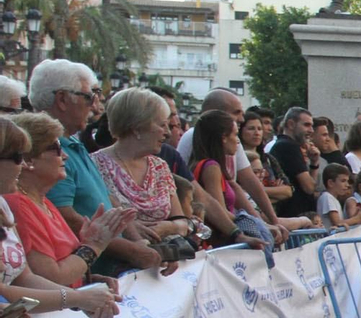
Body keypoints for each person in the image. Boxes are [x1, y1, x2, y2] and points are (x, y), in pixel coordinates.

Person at [31, 59, 169, 274]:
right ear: (62, 99)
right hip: (84, 273)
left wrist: (138, 241)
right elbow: (66, 217)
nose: (95, 106)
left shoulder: (74, 145)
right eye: (89, 97)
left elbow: (109, 200)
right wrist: (133, 251)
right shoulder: (48, 151)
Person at [0, 117, 120, 318]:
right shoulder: (17, 203)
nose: (21, 164)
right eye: (17, 157)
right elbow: (49, 275)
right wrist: (77, 297)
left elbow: (26, 278)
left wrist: (81, 296)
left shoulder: (7, 207)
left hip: (16, 307)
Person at [3, 112, 136, 292]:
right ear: (28, 159)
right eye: (56, 148)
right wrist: (94, 245)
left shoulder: (42, 201)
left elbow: (58, 276)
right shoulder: (18, 204)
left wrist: (86, 282)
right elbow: (50, 277)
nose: (65, 155)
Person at [90, 88, 190, 248]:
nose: (167, 133)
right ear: (136, 128)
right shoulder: (95, 165)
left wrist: (170, 227)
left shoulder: (160, 167)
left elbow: (182, 222)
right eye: (162, 125)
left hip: (166, 263)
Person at [189, 109, 276, 249]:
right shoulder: (211, 168)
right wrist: (253, 223)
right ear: (223, 137)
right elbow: (219, 211)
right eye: (235, 134)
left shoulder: (206, 165)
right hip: (220, 245)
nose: (237, 141)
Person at [268, 108, 320, 220]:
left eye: (312, 126)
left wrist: (314, 163)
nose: (311, 130)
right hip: (293, 216)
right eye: (306, 125)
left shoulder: (283, 145)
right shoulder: (288, 147)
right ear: (291, 124)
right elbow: (309, 187)